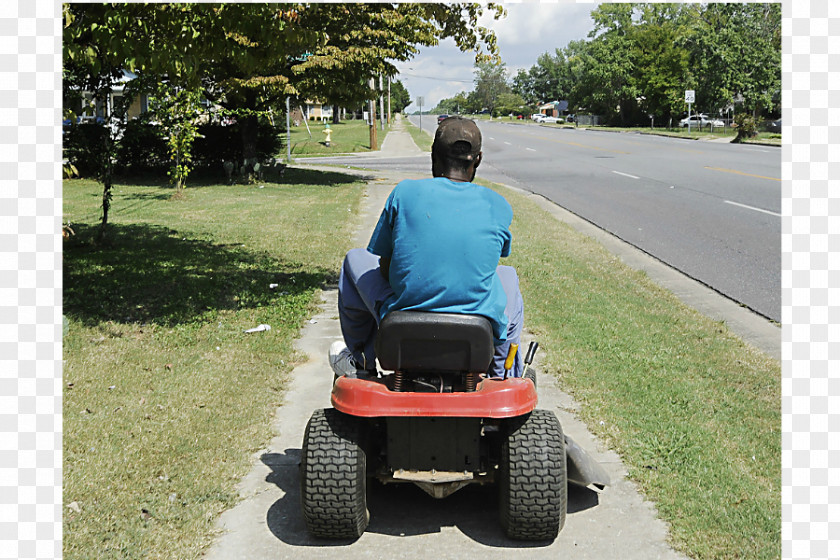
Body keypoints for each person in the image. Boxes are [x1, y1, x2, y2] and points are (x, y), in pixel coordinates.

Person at [330, 116, 524, 378]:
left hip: (404, 318)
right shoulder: (498, 204)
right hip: (477, 324)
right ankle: (501, 373)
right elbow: (487, 265)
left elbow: (386, 269)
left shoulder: (405, 193)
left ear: (433, 154)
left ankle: (362, 361)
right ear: (477, 160)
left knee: (354, 259)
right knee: (509, 276)